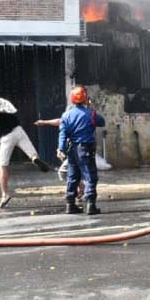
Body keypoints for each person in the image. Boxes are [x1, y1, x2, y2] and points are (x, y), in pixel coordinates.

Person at [0, 88, 51, 208]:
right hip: (19, 131)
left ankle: (5, 195)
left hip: (7, 138)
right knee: (33, 155)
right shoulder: (3, 103)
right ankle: (34, 159)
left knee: (2, 166)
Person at [57, 86, 105, 215]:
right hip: (85, 149)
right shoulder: (91, 113)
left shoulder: (66, 115)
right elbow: (102, 122)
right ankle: (91, 205)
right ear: (85, 99)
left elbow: (62, 133)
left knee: (73, 176)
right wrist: (91, 108)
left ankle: (70, 204)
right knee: (90, 176)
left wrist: (61, 148)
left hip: (72, 149)